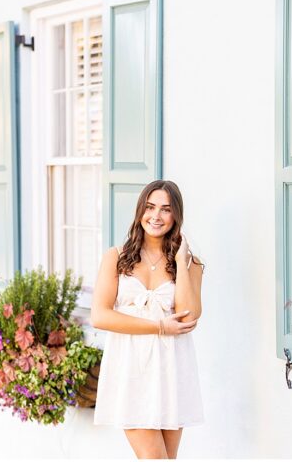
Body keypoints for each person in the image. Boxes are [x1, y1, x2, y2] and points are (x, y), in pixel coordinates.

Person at [91, 180, 205, 459]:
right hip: (131, 366)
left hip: (171, 369)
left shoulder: (191, 264)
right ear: (140, 210)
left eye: (166, 209)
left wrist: (181, 262)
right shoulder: (116, 257)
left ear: (176, 215)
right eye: (150, 207)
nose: (156, 216)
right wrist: (159, 326)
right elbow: (99, 316)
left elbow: (189, 317)